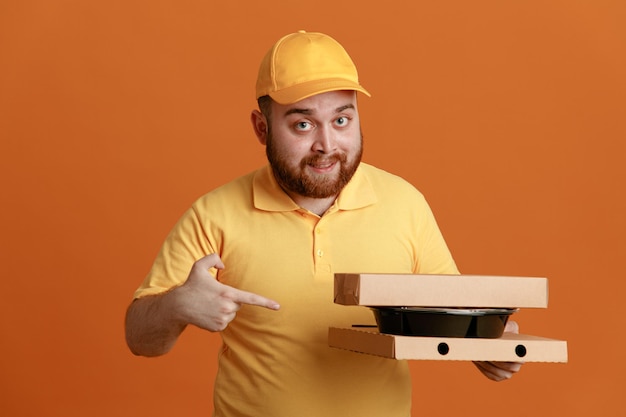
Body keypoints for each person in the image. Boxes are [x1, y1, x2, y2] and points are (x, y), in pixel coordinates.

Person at [125, 30, 522, 417]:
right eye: (303, 124)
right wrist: (177, 305)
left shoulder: (404, 203)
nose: (327, 145)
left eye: (342, 120)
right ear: (261, 128)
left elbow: (448, 314)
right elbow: (139, 339)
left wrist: (487, 347)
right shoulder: (213, 214)